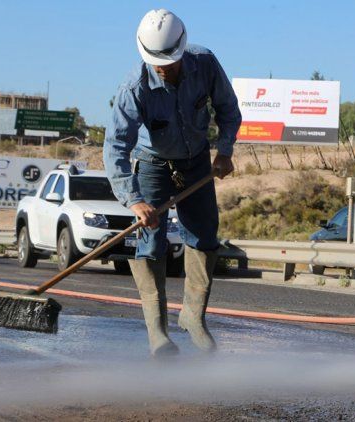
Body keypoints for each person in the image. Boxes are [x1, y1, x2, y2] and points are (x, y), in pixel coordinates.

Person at [104, 9, 242, 357]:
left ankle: (193, 317)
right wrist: (134, 200)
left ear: (182, 47)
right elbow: (115, 147)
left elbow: (229, 109)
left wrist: (224, 151)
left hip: (196, 162)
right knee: (151, 241)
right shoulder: (134, 87)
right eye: (155, 61)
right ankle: (158, 334)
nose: (162, 66)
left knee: (205, 236)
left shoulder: (205, 63)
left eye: (168, 59)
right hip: (151, 165)